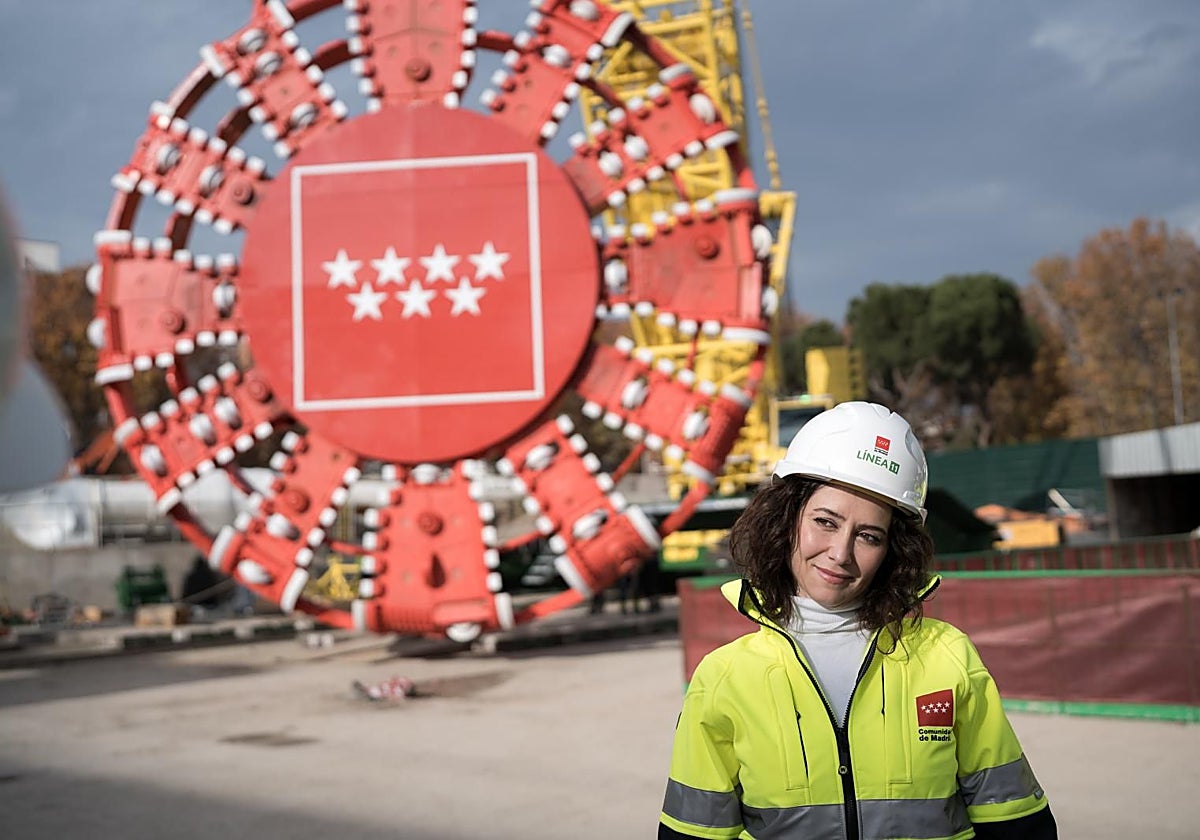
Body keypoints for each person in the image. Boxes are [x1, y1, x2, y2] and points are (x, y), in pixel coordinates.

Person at [659, 402, 1056, 839]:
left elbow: (1018, 824)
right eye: (825, 522)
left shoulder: (948, 658)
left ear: (893, 550)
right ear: (787, 519)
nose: (841, 553)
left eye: (869, 536)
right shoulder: (723, 680)